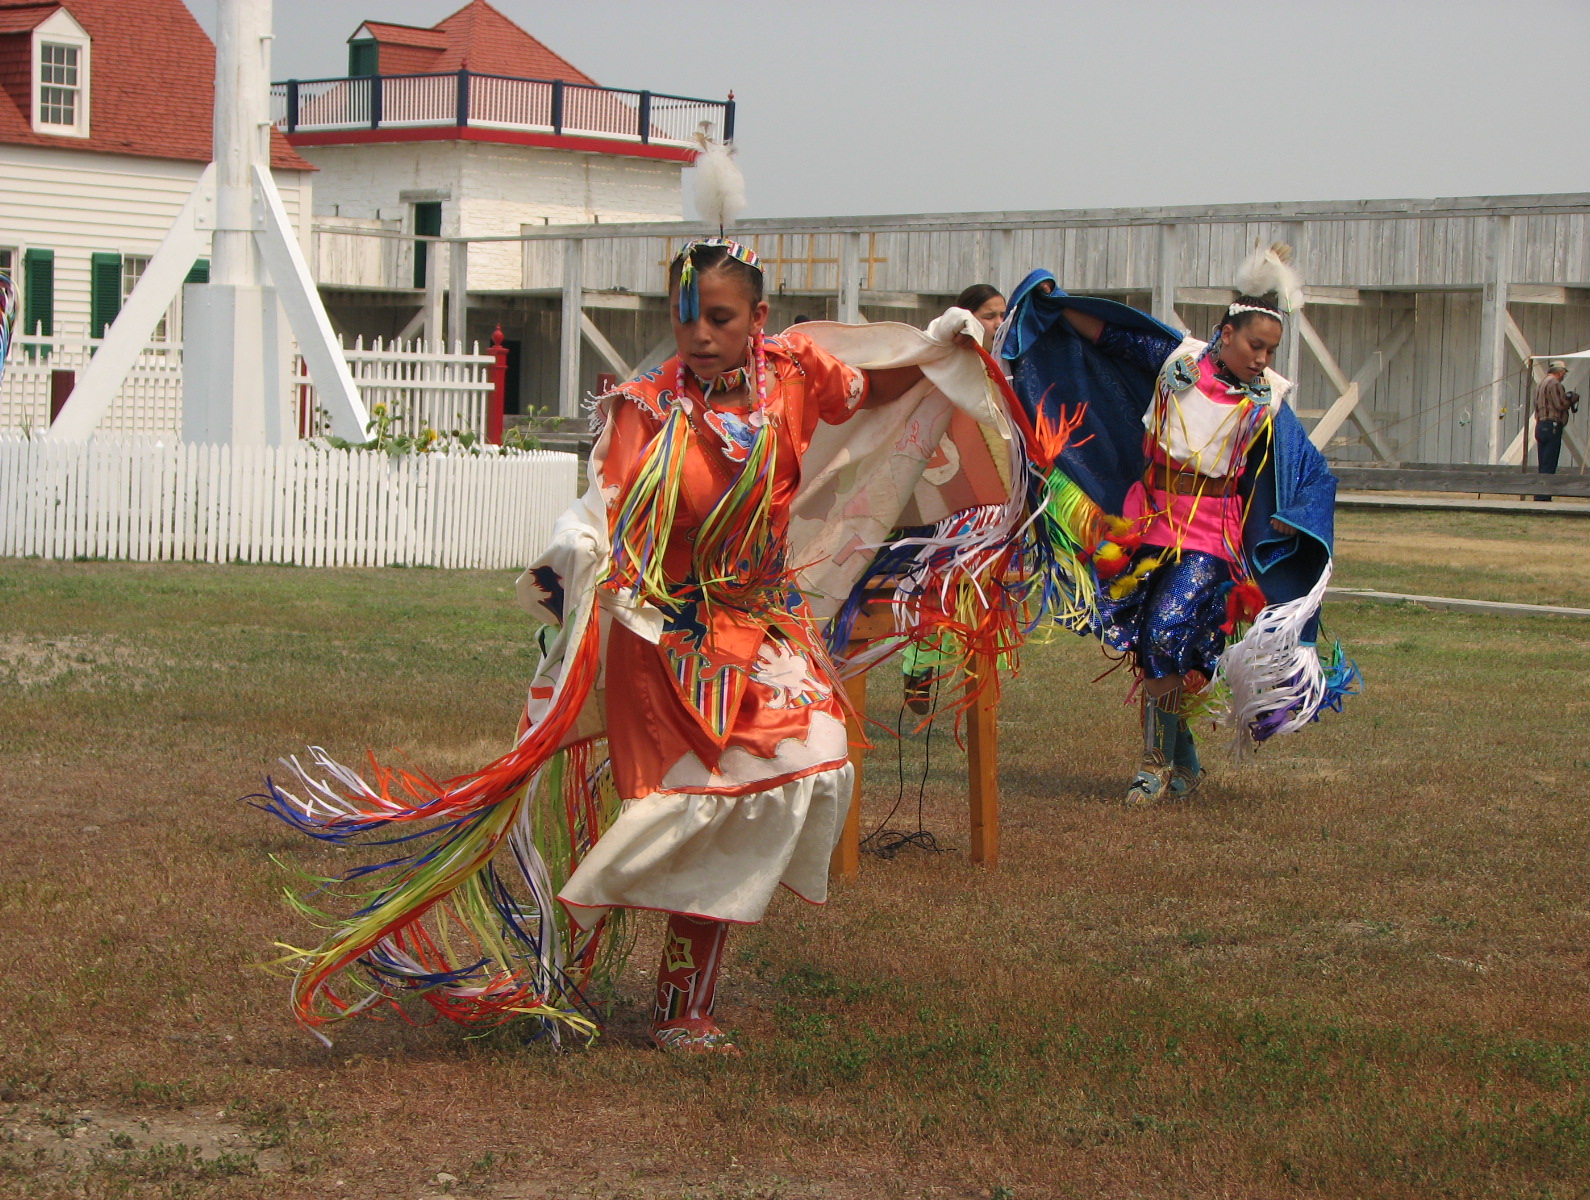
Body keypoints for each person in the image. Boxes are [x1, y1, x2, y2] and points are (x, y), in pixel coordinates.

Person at [258, 233, 1032, 1055]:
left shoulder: (797, 375)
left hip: (763, 623)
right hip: (665, 634)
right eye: (684, 316)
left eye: (719, 318)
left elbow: (873, 384)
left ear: (757, 319)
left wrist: (942, 350)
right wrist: (576, 548)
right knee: (708, 799)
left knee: (811, 754)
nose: (698, 333)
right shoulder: (646, 406)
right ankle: (672, 999)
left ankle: (650, 956)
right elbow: (607, 500)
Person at [998, 244, 1353, 805]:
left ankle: (1155, 766)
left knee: (1164, 632)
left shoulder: (1269, 401)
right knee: (1153, 644)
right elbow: (1107, 337)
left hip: (1211, 538)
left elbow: (1312, 472)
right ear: (1226, 332)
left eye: (1271, 349)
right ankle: (1183, 762)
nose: (1263, 358)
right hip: (1148, 523)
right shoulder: (1176, 360)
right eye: (1255, 346)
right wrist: (1054, 307)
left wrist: (1293, 516)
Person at [902, 282, 1008, 714]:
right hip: (943, 499)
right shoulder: (943, 355)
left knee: (959, 579)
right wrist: (960, 327)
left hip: (993, 503)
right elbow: (943, 328)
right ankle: (919, 665)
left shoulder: (1002, 368)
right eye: (989, 314)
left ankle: (938, 667)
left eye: (1003, 315)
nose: (998, 323)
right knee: (932, 576)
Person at [1532, 360, 1576, 501]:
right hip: (1552, 425)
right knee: (1550, 462)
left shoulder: (1540, 384)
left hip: (1541, 425)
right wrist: (1572, 400)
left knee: (1543, 461)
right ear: (1560, 372)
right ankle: (1544, 497)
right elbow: (1560, 404)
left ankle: (1539, 494)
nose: (1563, 376)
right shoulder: (1555, 384)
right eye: (1563, 373)